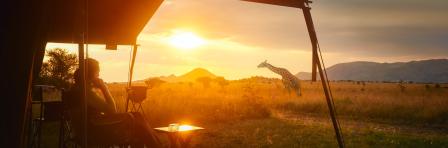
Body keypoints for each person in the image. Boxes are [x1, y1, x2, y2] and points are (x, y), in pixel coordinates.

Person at [66, 58, 161, 147]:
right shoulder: (85, 92)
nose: (99, 75)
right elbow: (112, 110)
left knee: (137, 121)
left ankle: (158, 145)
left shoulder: (76, 89)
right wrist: (104, 88)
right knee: (136, 119)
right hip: (94, 134)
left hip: (90, 130)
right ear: (91, 74)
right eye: (97, 72)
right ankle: (158, 146)